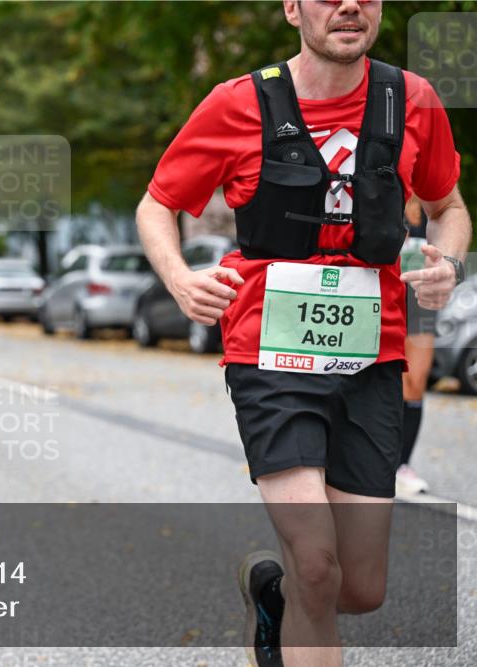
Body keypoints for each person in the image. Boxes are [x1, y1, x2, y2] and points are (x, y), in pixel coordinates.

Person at [135, 2, 470, 666]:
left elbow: (449, 207)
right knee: (318, 564)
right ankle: (297, 590)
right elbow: (158, 203)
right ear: (292, 8)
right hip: (269, 355)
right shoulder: (238, 103)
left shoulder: (414, 100)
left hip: (374, 361)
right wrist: (179, 278)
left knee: (359, 586)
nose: (348, 5)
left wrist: (449, 263)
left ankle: (273, 593)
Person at [397, 196, 437, 495]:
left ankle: (402, 465)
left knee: (415, 380)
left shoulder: (433, 201)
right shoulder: (384, 182)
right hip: (385, 294)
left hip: (421, 302)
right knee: (385, 376)